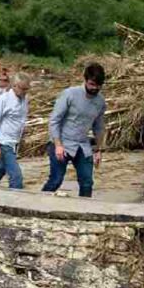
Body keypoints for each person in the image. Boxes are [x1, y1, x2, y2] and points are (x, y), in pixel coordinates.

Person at [41, 63, 107, 198]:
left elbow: (99, 127)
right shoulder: (70, 94)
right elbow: (54, 120)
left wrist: (98, 149)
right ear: (85, 80)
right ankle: (38, 202)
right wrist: (58, 145)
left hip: (82, 144)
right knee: (56, 180)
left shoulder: (100, 102)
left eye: (98, 86)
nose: (95, 88)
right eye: (92, 84)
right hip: (62, 141)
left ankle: (83, 209)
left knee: (87, 182)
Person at [0, 72, 31, 189]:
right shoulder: (3, 100)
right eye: (23, 88)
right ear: (14, 86)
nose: (25, 91)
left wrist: (22, 138)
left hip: (14, 142)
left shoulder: (25, 99)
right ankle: (15, 202)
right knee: (16, 178)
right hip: (4, 143)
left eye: (27, 89)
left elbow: (21, 121)